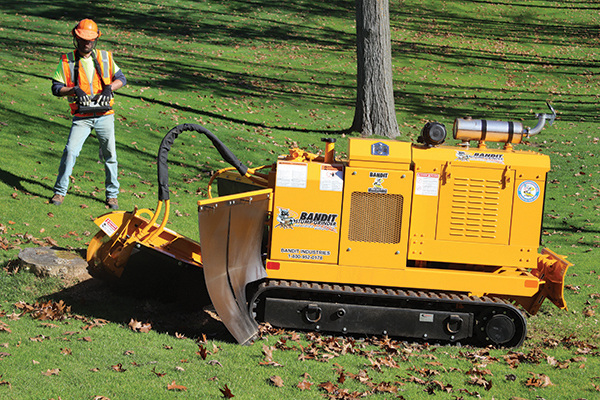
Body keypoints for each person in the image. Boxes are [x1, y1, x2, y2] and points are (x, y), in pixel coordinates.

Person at [50, 19, 127, 209]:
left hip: (105, 114)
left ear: (96, 39)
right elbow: (56, 88)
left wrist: (110, 88)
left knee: (110, 155)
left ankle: (112, 195)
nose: (87, 43)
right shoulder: (67, 60)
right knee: (70, 152)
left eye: (90, 40)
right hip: (81, 117)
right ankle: (60, 192)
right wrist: (74, 90)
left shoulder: (105, 57)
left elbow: (122, 79)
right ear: (76, 38)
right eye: (83, 39)